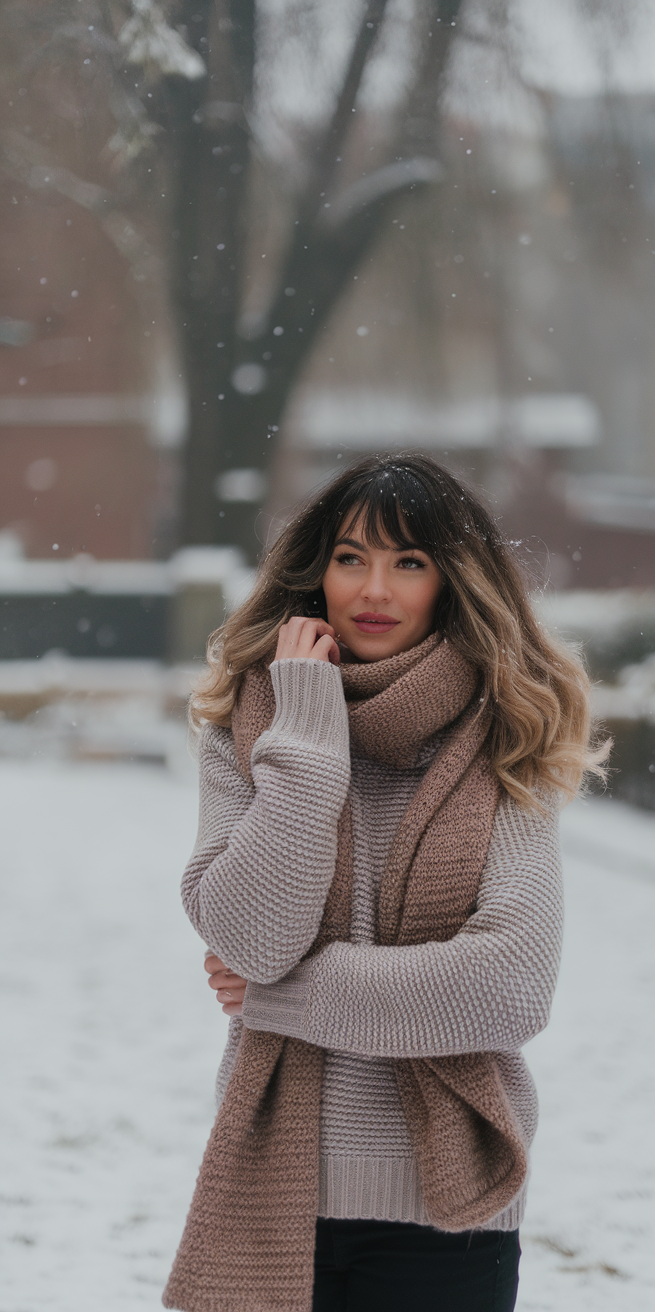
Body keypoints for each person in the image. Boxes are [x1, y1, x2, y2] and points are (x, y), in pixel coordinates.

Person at [163, 453, 605, 1312]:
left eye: (410, 562)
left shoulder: (508, 735)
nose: (375, 588)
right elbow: (252, 937)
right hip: (276, 1190)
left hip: (450, 1212)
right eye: (350, 557)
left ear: (452, 582)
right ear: (315, 571)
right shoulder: (250, 725)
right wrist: (309, 736)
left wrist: (278, 995)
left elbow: (505, 987)